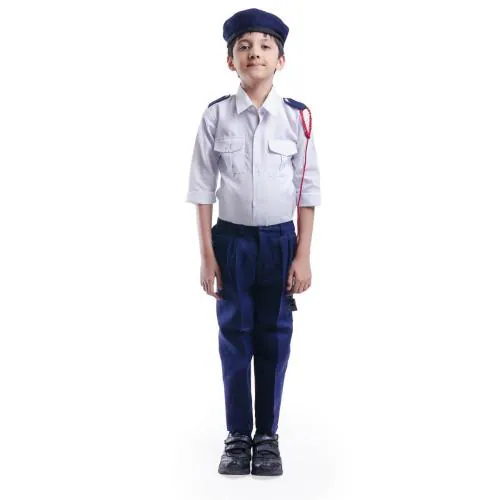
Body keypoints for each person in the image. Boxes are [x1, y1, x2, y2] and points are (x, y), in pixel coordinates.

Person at [186, 7, 321, 476]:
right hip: (233, 243)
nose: (254, 53)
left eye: (265, 46)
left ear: (281, 59)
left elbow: (307, 190)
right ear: (231, 60)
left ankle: (268, 437)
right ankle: (238, 435)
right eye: (244, 46)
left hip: (280, 242)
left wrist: (303, 254)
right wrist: (207, 256)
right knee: (234, 337)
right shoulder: (216, 116)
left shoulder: (297, 119)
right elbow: (202, 189)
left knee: (274, 338)